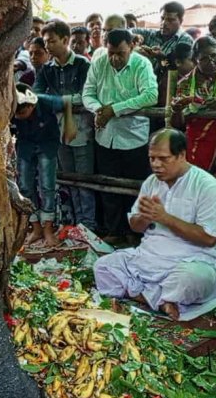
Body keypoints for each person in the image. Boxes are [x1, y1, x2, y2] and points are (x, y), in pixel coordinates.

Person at [93, 129, 216, 320]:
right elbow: (135, 226)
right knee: (103, 266)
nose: (156, 165)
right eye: (152, 158)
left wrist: (165, 218)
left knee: (190, 279)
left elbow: (208, 238)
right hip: (149, 258)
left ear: (181, 155)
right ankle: (161, 300)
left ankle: (142, 293)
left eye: (163, 158)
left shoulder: (206, 185)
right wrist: (145, 217)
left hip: (192, 261)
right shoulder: (151, 182)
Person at [168, 37, 216, 263]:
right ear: (195, 60)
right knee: (198, 198)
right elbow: (177, 123)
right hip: (197, 151)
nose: (211, 62)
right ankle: (196, 250)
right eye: (204, 58)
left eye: (215, 56)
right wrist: (177, 110)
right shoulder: (185, 83)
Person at [83, 29, 158, 244]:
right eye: (111, 53)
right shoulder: (99, 63)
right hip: (105, 136)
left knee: (135, 188)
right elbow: (87, 93)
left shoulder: (142, 64)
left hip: (134, 137)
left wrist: (114, 110)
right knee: (109, 188)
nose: (115, 58)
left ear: (131, 47)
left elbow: (151, 95)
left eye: (121, 53)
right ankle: (114, 231)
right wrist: (99, 110)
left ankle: (135, 233)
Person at [34, 19, 97, 231]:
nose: (48, 46)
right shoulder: (46, 69)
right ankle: (75, 223)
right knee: (69, 180)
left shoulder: (83, 65)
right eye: (46, 42)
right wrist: (65, 101)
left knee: (85, 181)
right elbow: (36, 96)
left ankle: (88, 226)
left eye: (52, 41)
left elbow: (86, 96)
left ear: (65, 39)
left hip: (82, 131)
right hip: (57, 132)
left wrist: (57, 101)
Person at [12, 84, 74, 246]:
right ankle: (36, 227)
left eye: (22, 113)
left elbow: (66, 101)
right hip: (25, 145)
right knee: (24, 186)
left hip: (47, 144)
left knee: (47, 185)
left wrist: (68, 125)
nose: (19, 117)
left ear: (31, 106)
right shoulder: (13, 107)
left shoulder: (45, 101)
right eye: (16, 114)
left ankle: (48, 229)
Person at [132, 2, 194, 73]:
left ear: (181, 21)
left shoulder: (184, 41)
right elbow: (126, 32)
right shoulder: (150, 34)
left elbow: (175, 71)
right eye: (162, 18)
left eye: (170, 20)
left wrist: (161, 58)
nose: (164, 23)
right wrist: (134, 37)